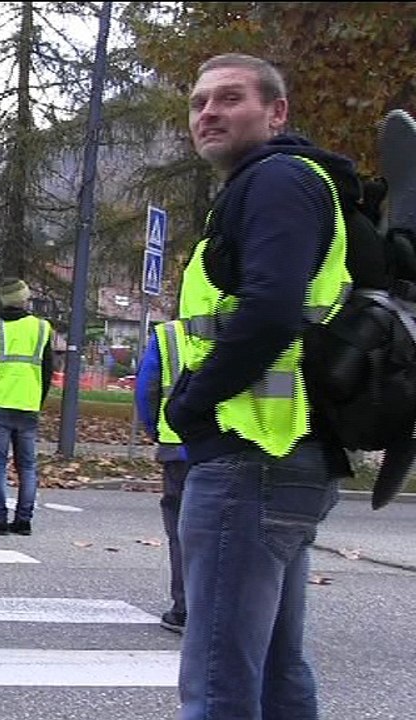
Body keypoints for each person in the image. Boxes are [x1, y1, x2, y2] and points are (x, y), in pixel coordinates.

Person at [167, 53, 354, 719]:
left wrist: (191, 401)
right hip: (281, 455)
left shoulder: (276, 181)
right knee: (274, 674)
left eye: (229, 98)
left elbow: (271, 311)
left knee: (218, 684)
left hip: (252, 453)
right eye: (198, 102)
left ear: (277, 113)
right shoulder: (283, 182)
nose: (208, 113)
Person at [0, 278, 53, 536]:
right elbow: (48, 370)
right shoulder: (41, 328)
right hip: (28, 403)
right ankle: (24, 520)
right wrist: (38, 399)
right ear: (25, 299)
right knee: (27, 465)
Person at [133, 318, 188, 635]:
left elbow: (147, 389)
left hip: (179, 448)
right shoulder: (248, 317)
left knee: (183, 531)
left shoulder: (169, 336)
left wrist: (155, 430)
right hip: (234, 446)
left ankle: (185, 609)